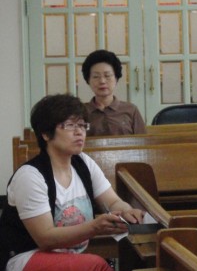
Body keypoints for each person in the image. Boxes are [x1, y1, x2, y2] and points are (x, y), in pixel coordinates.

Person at [0, 94, 145, 271]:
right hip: (27, 256)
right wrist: (94, 227)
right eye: (70, 125)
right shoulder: (30, 176)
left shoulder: (83, 163)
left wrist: (126, 211)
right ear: (46, 134)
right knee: (96, 265)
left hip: (70, 255)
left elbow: (112, 201)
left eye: (82, 125)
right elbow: (45, 238)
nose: (79, 132)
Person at [81, 49, 146, 136]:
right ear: (88, 80)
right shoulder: (80, 111)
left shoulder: (131, 110)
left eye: (107, 75)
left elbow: (143, 141)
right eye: (96, 76)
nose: (102, 81)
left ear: (116, 78)